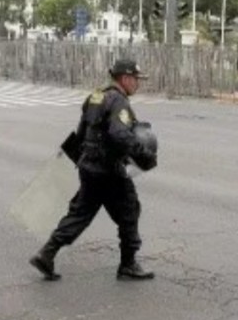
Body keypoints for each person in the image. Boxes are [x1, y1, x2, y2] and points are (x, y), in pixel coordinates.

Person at [29, 58, 156, 281]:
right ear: (125, 78)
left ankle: (46, 254)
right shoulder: (118, 101)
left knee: (80, 214)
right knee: (129, 211)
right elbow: (119, 134)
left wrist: (81, 159)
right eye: (136, 79)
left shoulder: (96, 95)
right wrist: (143, 154)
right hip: (108, 170)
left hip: (89, 167)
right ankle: (128, 264)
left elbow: (82, 130)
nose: (138, 84)